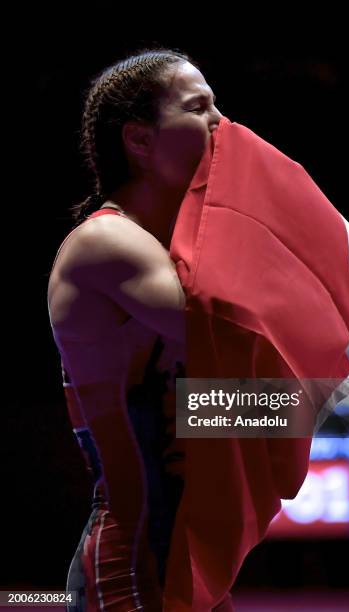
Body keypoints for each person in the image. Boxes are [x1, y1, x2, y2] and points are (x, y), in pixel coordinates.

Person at [47, 47, 227, 611]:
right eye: (199, 108)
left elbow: (195, 408)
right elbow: (237, 337)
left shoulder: (168, 249)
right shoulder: (108, 244)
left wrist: (307, 405)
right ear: (140, 140)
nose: (222, 123)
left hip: (190, 565)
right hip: (129, 573)